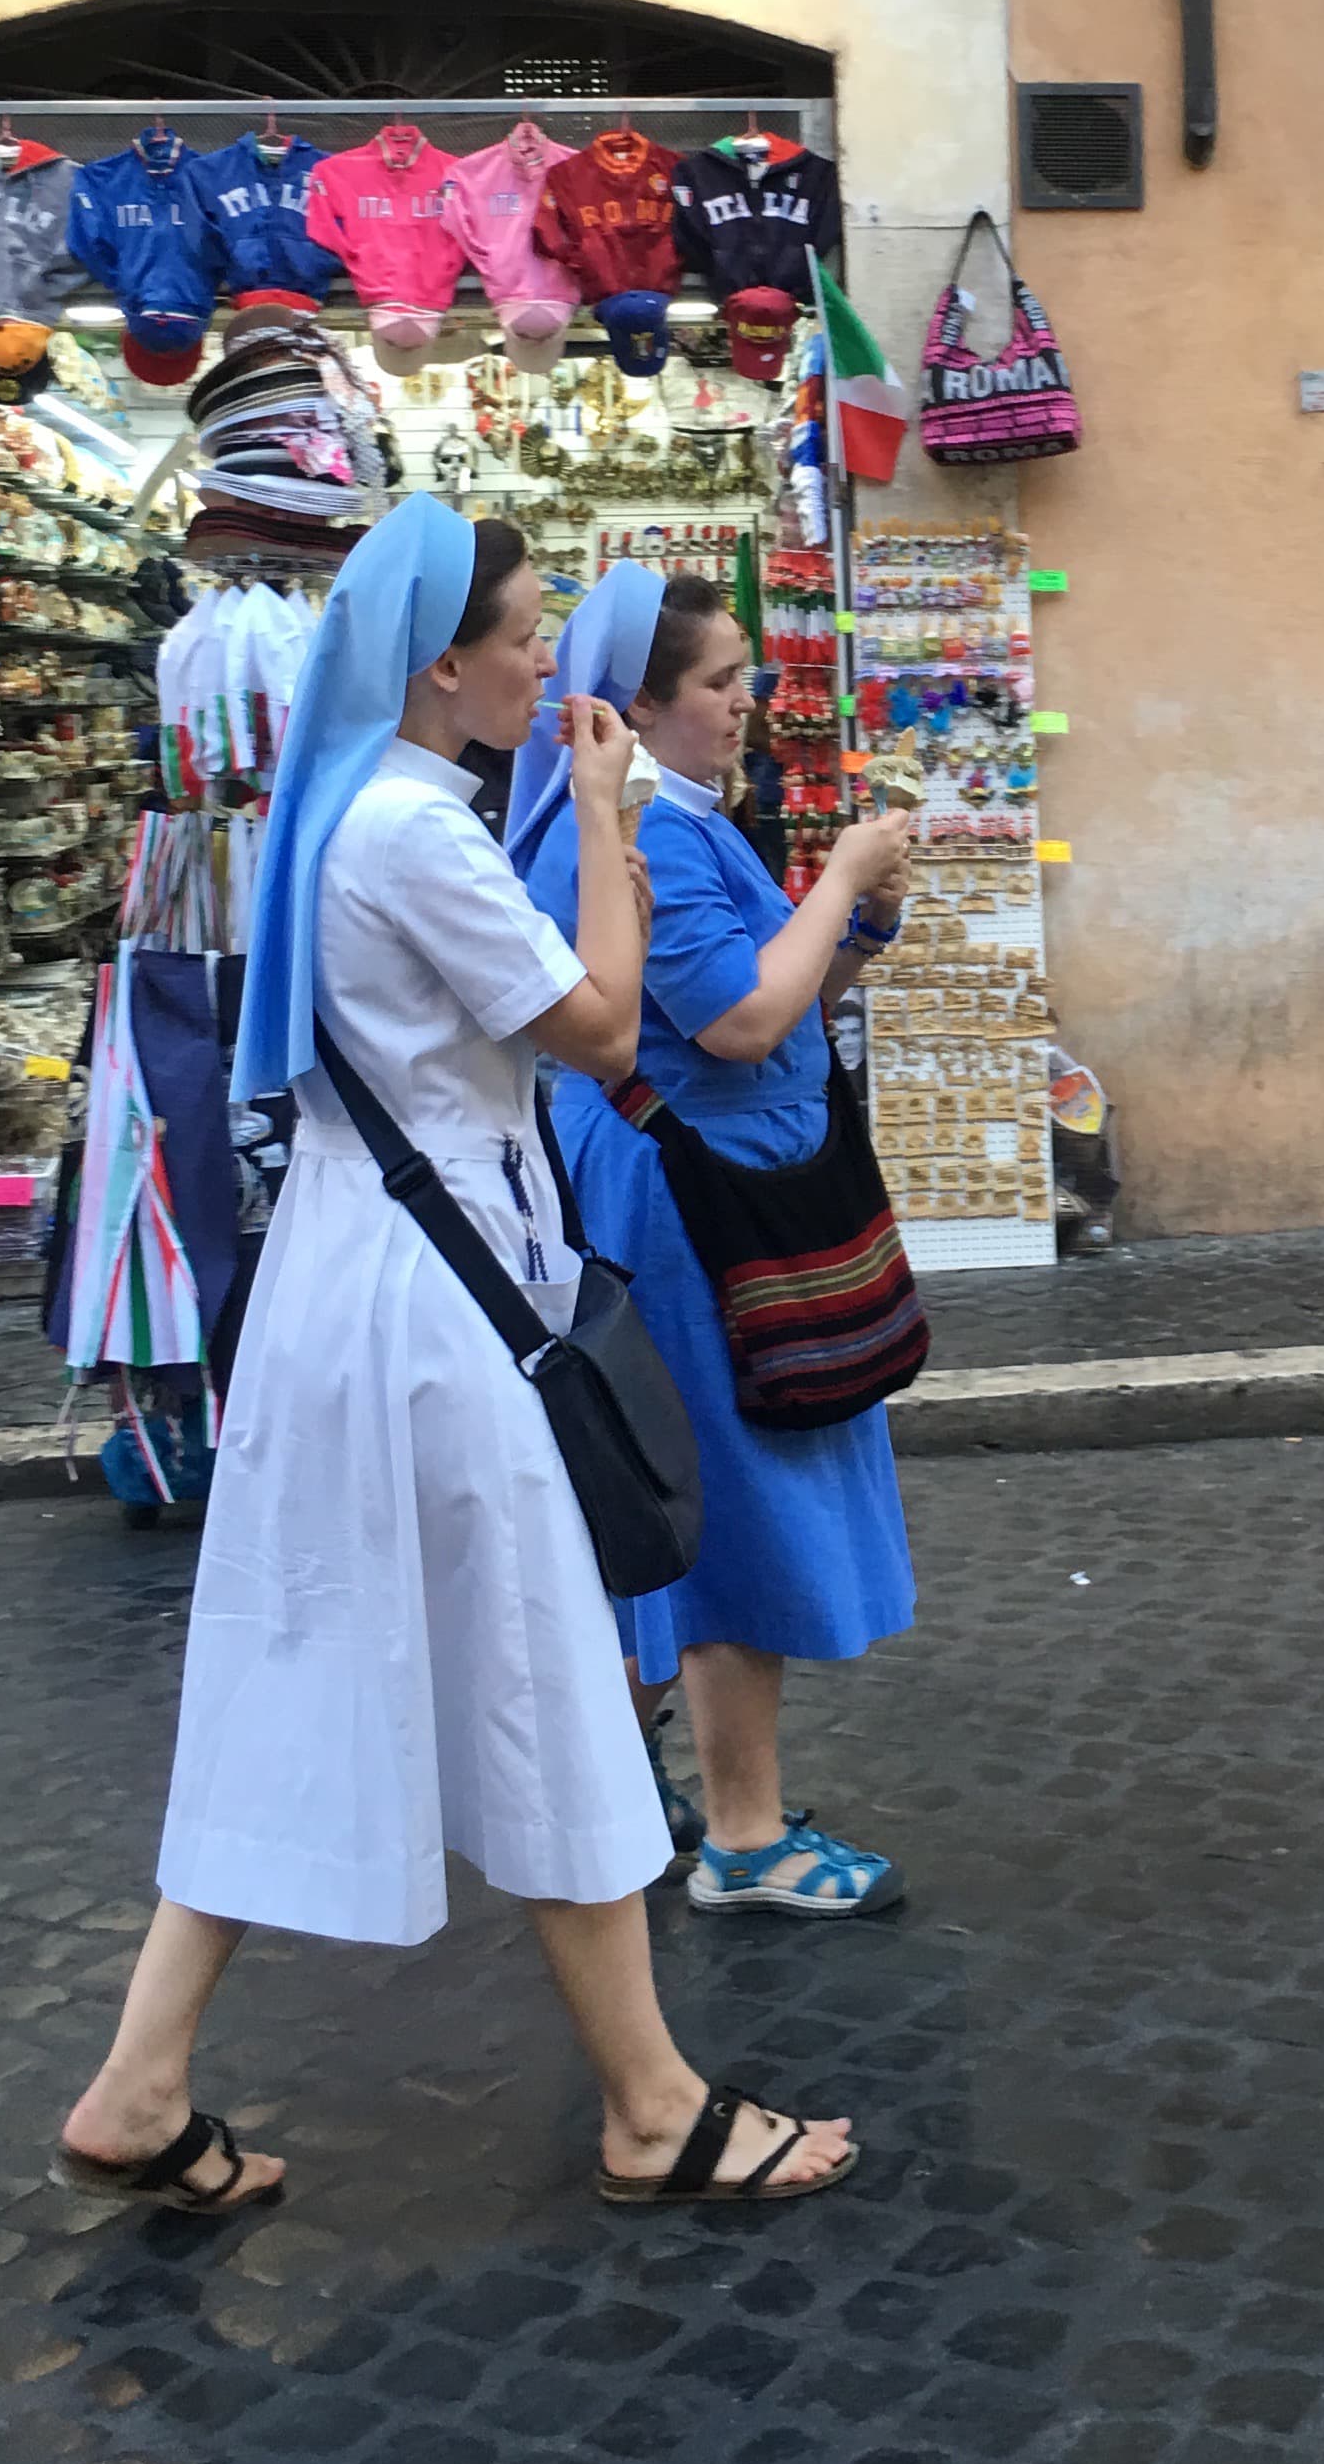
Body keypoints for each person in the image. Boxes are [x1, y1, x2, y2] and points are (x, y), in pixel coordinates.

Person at [58, 500, 854, 2216]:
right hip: (440, 1315)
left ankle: (140, 2080)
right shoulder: (415, 825)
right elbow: (600, 1025)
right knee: (539, 1673)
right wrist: (604, 827)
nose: (545, 664)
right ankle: (652, 2105)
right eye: (522, 637)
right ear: (441, 660)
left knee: (293, 1670)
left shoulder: (355, 802)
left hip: (357, 1295)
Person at [519, 569, 919, 1922]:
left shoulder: (681, 820)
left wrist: (856, 924)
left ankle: (628, 1777)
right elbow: (744, 1020)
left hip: (726, 1189)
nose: (750, 701)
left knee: (705, 1490)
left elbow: (787, 1003)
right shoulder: (651, 833)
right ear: (641, 703)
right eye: (720, 683)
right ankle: (746, 1839)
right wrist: (847, 876)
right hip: (694, 1213)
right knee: (727, 1504)